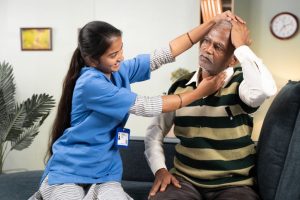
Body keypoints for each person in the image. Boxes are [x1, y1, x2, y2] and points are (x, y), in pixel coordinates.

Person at [29, 11, 241, 200]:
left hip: (105, 171)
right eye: (113, 55)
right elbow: (145, 105)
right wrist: (199, 92)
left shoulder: (118, 70)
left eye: (121, 50)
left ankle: (93, 192)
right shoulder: (91, 83)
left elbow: (164, 54)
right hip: (70, 169)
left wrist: (212, 21)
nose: (121, 57)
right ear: (92, 60)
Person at [144, 17, 277, 200]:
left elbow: (265, 89)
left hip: (234, 185)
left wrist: (241, 47)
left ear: (232, 60)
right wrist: (160, 169)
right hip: (183, 182)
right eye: (206, 41)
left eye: (218, 47)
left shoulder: (241, 85)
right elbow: (155, 132)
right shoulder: (180, 87)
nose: (207, 49)